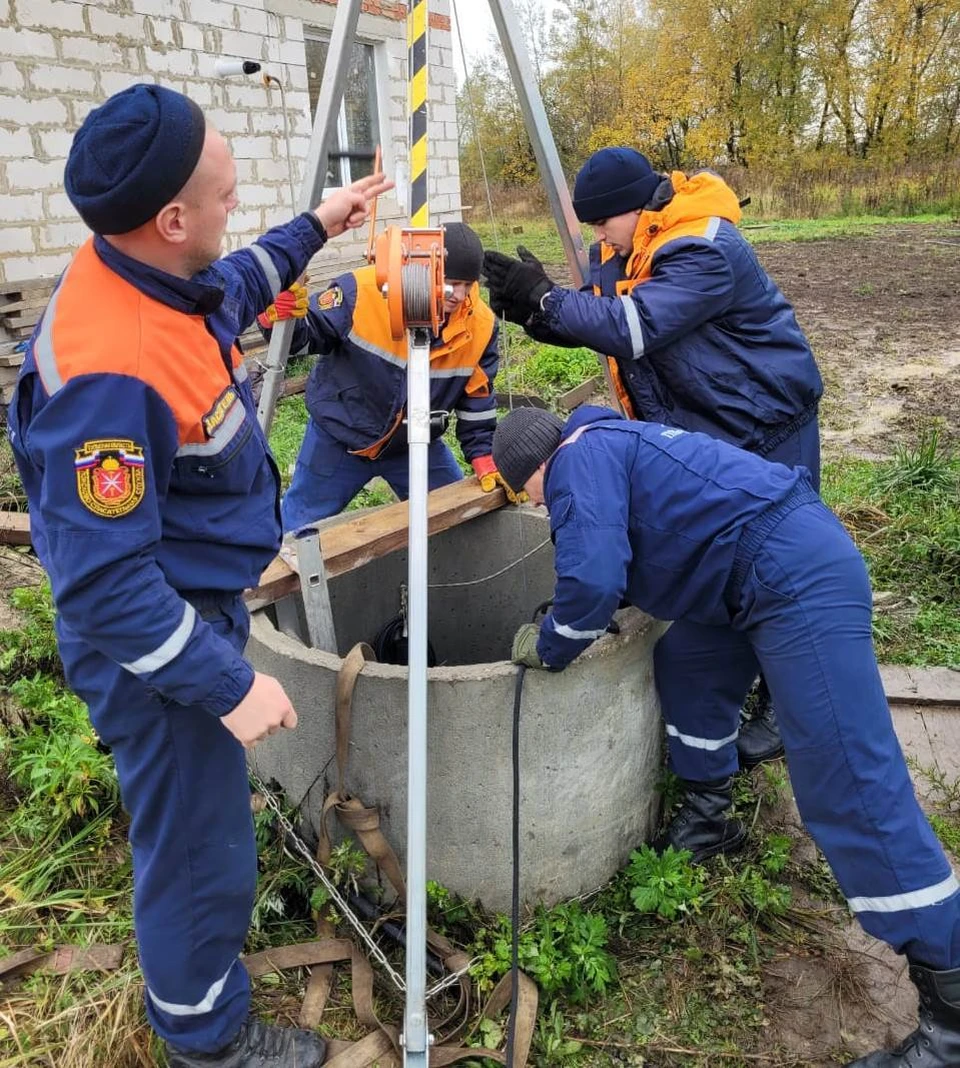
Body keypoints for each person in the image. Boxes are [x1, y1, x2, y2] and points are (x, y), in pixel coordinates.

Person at [7, 83, 392, 1068]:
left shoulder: (153, 275)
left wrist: (319, 224)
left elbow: (237, 282)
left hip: (189, 608)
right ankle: (206, 1043)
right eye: (224, 196)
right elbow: (102, 588)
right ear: (173, 219)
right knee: (195, 851)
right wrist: (226, 682)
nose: (234, 210)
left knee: (204, 833)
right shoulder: (111, 371)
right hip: (156, 643)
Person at [493, 404, 960, 1068]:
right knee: (686, 664)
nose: (537, 507)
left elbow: (592, 579)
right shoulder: (609, 441)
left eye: (527, 494)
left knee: (848, 785)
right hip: (748, 576)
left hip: (795, 578)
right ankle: (710, 815)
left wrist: (552, 642)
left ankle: (950, 1007)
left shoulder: (577, 459)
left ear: (532, 470)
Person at [483, 147, 824, 850]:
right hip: (713, 428)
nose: (599, 239)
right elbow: (606, 316)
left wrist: (548, 298)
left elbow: (635, 328)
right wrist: (538, 309)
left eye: (602, 224)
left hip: (764, 428)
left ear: (636, 205)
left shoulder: (702, 246)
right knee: (727, 587)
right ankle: (727, 715)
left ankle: (785, 712)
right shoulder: (631, 249)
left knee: (776, 581)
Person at [259, 222, 515, 533]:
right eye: (452, 283)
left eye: (469, 285)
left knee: (458, 519)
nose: (460, 295)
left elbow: (477, 400)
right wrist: (277, 317)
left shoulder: (481, 325)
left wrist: (484, 454)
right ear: (425, 272)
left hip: (415, 446)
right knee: (294, 534)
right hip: (339, 441)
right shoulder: (360, 292)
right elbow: (303, 340)